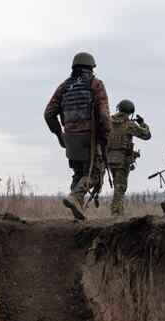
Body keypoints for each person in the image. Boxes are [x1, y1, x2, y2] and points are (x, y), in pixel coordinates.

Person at [44, 52, 111, 220]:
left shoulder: (64, 87)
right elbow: (104, 115)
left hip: (71, 139)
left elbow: (49, 114)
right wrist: (106, 136)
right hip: (90, 137)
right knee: (95, 173)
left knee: (79, 173)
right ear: (90, 68)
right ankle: (75, 198)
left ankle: (77, 210)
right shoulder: (95, 84)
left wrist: (60, 135)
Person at [105, 99, 151, 216]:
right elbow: (146, 135)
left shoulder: (108, 121)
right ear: (130, 112)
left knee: (117, 185)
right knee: (120, 187)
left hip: (109, 159)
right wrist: (142, 123)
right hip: (122, 160)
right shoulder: (129, 125)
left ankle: (119, 212)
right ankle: (115, 213)